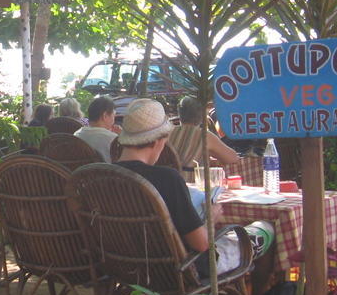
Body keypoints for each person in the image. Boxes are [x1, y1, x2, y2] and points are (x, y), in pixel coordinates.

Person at [115, 98, 271, 281]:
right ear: (157, 141)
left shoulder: (99, 176)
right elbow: (201, 244)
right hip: (182, 270)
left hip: (125, 270)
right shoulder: (167, 179)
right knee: (264, 229)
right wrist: (210, 219)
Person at [167, 96, 240, 178]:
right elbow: (232, 158)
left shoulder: (167, 133)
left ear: (180, 113)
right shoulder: (205, 136)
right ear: (202, 114)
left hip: (168, 182)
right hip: (192, 185)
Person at [74, 95, 118, 162]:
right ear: (105, 116)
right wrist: (121, 138)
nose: (114, 120)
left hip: (79, 172)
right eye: (113, 115)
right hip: (105, 171)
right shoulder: (113, 139)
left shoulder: (77, 134)